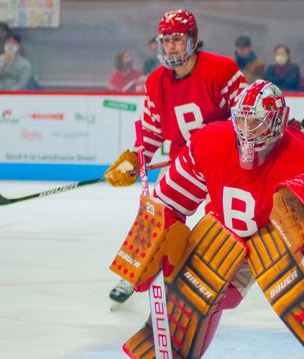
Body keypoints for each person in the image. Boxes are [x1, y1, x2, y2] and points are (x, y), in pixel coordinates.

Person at [110, 80, 304, 359]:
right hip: (228, 231)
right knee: (195, 274)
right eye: (241, 119)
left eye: (255, 122)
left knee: (296, 287)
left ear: (275, 125)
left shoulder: (302, 158)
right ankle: (168, 352)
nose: (246, 129)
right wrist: (149, 245)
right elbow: (167, 202)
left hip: (278, 237)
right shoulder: (209, 141)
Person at [104, 9, 247, 305]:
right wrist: (135, 157)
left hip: (227, 161)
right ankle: (134, 271)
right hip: (189, 163)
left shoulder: (222, 69)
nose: (171, 47)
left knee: (224, 224)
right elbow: (152, 130)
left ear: (193, 40)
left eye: (178, 40)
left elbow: (246, 114)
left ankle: (215, 280)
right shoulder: (156, 81)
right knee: (158, 209)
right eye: (166, 41)